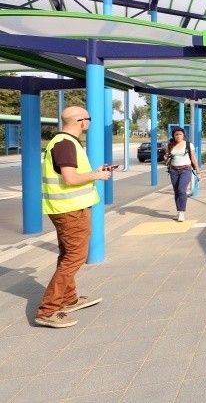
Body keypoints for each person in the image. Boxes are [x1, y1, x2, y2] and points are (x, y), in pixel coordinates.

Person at [35, 106, 113, 328]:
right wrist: (97, 175)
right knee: (74, 258)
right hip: (71, 210)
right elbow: (70, 179)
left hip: (67, 208)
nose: (89, 122)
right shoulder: (66, 144)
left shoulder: (62, 142)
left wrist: (93, 172)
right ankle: (48, 310)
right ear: (81, 121)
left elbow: (70, 175)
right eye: (89, 118)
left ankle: (69, 299)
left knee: (68, 256)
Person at [166, 127, 201, 222]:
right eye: (176, 134)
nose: (178, 136)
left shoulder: (189, 145)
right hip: (174, 171)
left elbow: (194, 159)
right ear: (173, 135)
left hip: (186, 170)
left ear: (183, 135)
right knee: (176, 191)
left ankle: (182, 212)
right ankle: (178, 212)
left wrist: (198, 172)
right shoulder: (171, 145)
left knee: (181, 190)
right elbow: (168, 158)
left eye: (180, 134)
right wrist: (166, 157)